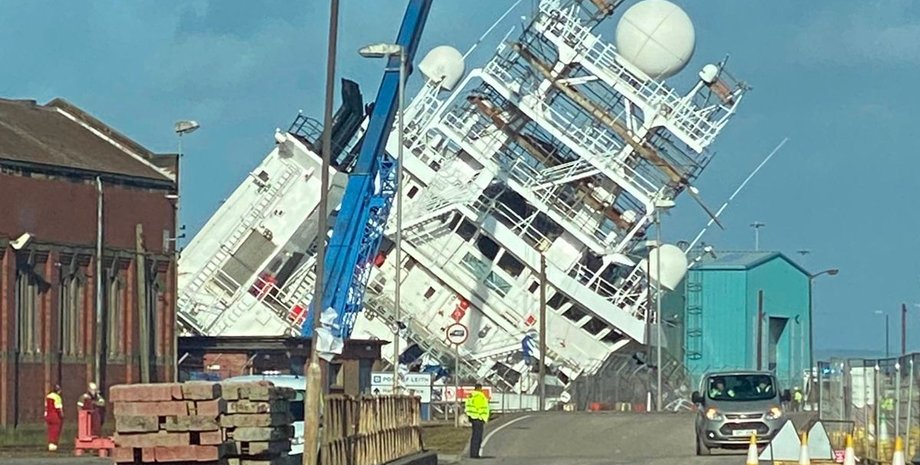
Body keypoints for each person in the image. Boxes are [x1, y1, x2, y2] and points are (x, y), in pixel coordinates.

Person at [464, 383, 491, 459]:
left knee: (474, 436)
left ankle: (473, 453)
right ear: (479, 388)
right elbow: (481, 408)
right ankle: (475, 454)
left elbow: (468, 406)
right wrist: (483, 417)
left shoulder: (471, 396)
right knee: (478, 437)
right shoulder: (480, 396)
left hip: (472, 418)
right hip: (479, 418)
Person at [44, 384, 63, 451]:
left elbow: (46, 407)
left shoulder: (48, 396)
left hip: (48, 416)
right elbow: (58, 408)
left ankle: (50, 444)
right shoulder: (57, 397)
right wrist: (61, 415)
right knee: (55, 430)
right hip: (55, 416)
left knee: (50, 430)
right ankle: (54, 444)